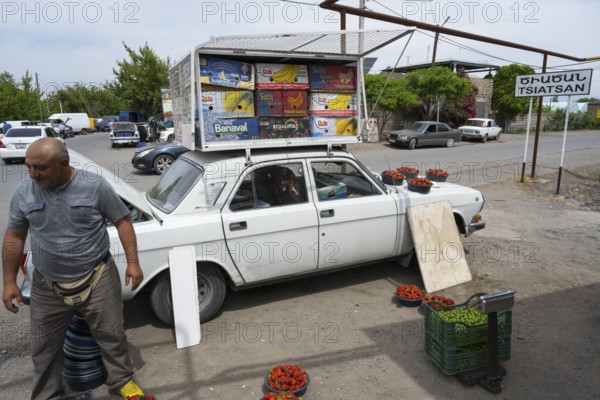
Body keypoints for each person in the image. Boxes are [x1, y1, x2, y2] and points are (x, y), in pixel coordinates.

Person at [1, 138, 154, 400]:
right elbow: (14, 236)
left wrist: (133, 262)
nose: (33, 174)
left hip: (97, 276)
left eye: (40, 168)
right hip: (47, 284)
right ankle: (48, 395)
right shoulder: (25, 191)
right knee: (43, 345)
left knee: (111, 335)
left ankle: (121, 381)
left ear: (64, 163)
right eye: (29, 167)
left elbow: (123, 221)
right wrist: (9, 282)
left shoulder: (93, 186)